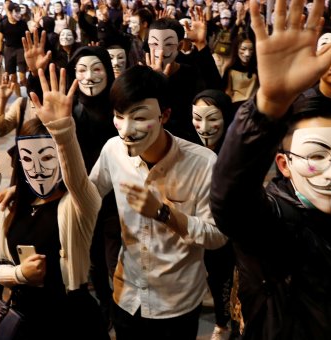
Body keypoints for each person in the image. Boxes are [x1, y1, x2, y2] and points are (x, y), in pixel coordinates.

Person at [209, 0, 331, 338]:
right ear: (284, 164)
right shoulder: (272, 224)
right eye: (317, 157)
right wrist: (266, 107)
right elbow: (230, 199)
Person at [89, 65, 228, 339]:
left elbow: (216, 236)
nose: (126, 130)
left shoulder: (202, 164)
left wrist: (164, 213)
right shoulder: (113, 150)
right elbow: (87, 197)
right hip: (127, 296)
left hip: (176, 305)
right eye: (119, 117)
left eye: (139, 118)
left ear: (164, 115)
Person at [0, 64, 109, 340]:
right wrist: (20, 274)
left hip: (72, 319)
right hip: (25, 321)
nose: (38, 169)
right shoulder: (9, 207)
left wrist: (63, 131)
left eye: (46, 158)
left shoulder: (79, 204)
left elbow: (77, 179)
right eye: (29, 160)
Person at [191, 89, 238, 340]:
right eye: (198, 118)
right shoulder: (188, 146)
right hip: (197, 224)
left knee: (224, 276)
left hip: (230, 227)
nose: (204, 126)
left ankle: (224, 323)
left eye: (213, 118)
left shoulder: (235, 148)